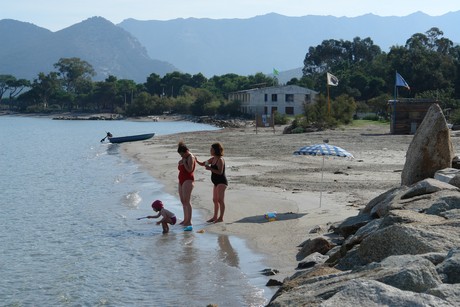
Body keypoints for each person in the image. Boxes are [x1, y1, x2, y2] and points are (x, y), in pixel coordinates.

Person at [196, 142, 228, 223]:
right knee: (215, 200)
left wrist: (210, 169)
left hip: (222, 182)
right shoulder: (212, 159)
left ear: (216, 150)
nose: (210, 150)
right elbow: (203, 163)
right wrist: (196, 160)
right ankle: (214, 217)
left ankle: (221, 218)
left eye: (212, 149)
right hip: (216, 182)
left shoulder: (220, 160)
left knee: (220, 200)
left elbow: (220, 172)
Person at [177, 141, 196, 226]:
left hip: (188, 180)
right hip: (181, 180)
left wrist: (184, 162)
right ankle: (185, 219)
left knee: (187, 201)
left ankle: (189, 221)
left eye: (182, 154)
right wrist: (180, 162)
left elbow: (190, 170)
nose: (181, 156)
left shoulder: (190, 157)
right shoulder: (184, 157)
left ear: (186, 152)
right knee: (182, 201)